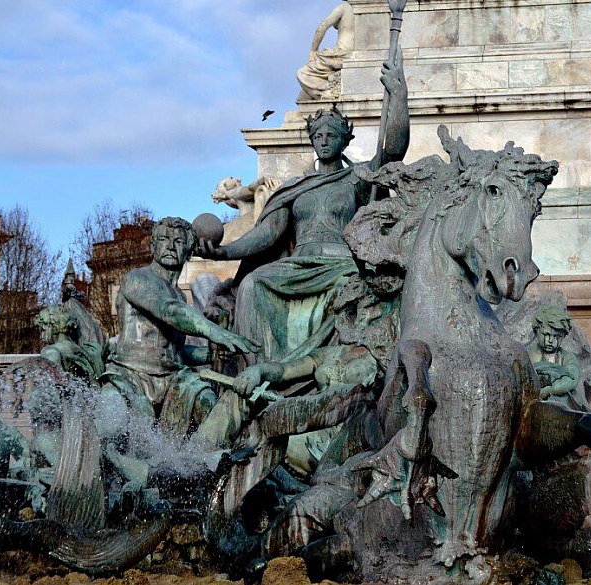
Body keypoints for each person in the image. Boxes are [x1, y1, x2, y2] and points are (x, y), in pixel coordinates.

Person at [197, 53, 410, 365]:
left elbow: (393, 151)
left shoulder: (357, 178)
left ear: (344, 141)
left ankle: (331, 365)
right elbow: (266, 235)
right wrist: (223, 252)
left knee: (351, 288)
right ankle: (258, 370)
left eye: (331, 136)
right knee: (253, 284)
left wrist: (399, 96)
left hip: (342, 264)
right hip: (300, 264)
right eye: (318, 136)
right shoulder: (296, 188)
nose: (324, 141)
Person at [104, 217, 258, 439]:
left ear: (188, 252)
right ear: (153, 246)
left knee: (212, 411)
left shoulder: (179, 296)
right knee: (111, 429)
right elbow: (169, 311)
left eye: (178, 242)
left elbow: (176, 351)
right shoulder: (137, 279)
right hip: (130, 374)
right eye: (163, 240)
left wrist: (211, 353)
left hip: (173, 377)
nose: (170, 246)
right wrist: (214, 331)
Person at [526, 306, 586, 409]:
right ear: (536, 332)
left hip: (560, 403)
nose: (550, 340)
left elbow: (572, 380)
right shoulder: (527, 353)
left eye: (557, 336)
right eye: (546, 334)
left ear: (563, 336)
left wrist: (549, 390)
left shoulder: (568, 357)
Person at [297, 0, 355, 101]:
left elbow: (322, 26)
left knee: (302, 73)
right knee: (303, 94)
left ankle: (327, 92)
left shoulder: (345, 7)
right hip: (355, 56)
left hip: (341, 55)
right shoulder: (373, 8)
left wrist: (313, 51)